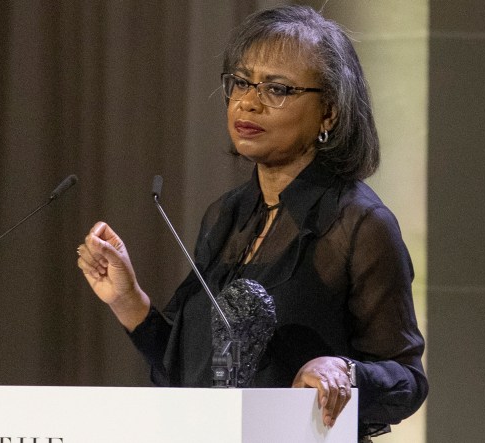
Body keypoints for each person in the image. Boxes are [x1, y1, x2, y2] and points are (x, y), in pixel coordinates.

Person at [76, 5, 427, 440]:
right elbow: (185, 369)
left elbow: (408, 381)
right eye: (241, 82)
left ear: (330, 112)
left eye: (277, 89)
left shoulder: (359, 223)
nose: (247, 101)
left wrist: (345, 371)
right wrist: (128, 300)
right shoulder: (227, 215)